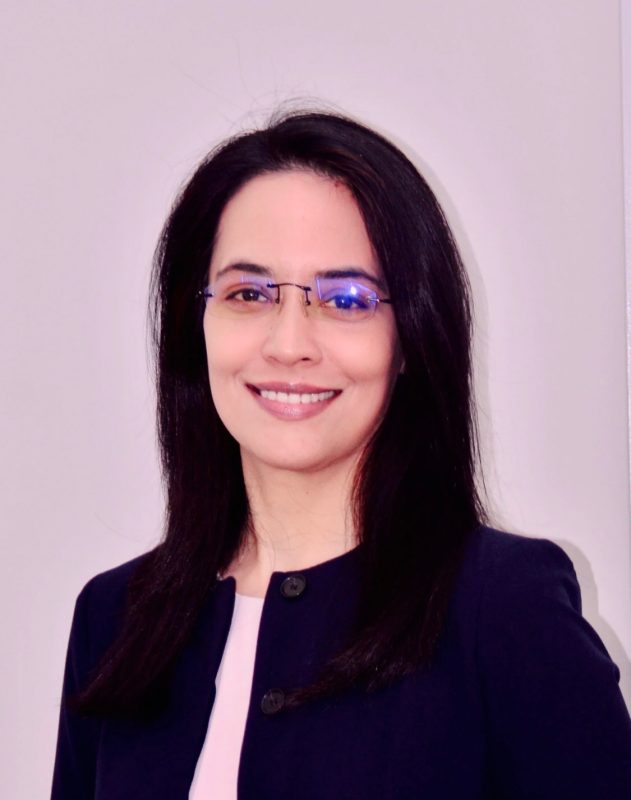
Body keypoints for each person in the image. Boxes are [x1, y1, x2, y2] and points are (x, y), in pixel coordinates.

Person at [51, 109, 631, 799]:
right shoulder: (116, 619)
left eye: (346, 299)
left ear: (411, 336)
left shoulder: (500, 606)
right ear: (193, 324)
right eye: (248, 294)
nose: (289, 341)